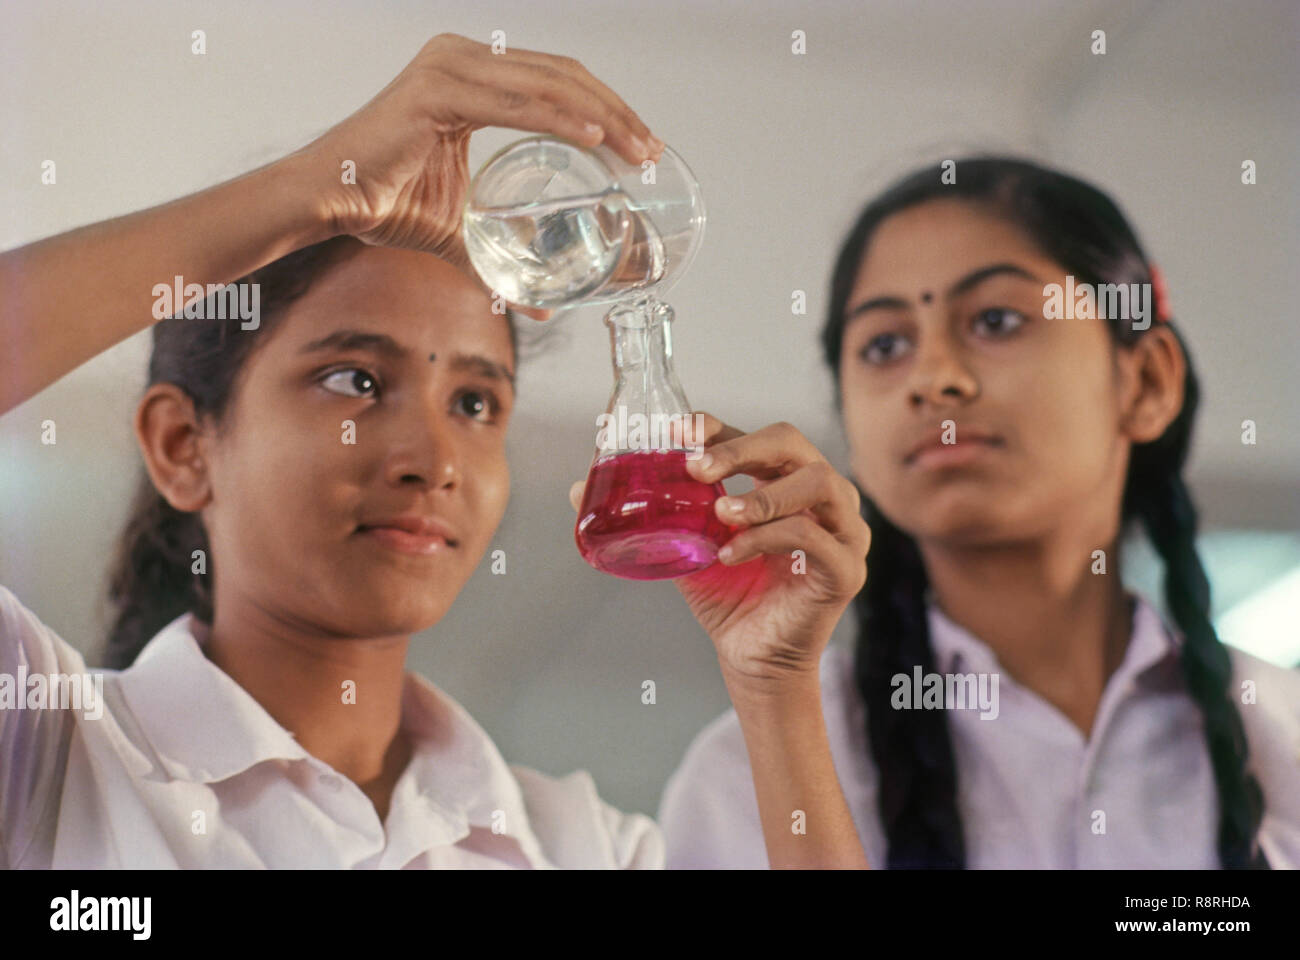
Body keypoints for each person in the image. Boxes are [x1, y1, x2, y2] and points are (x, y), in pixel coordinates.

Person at [0, 34, 870, 869]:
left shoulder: (578, 846)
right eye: (355, 381)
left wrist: (776, 686)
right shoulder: (50, 755)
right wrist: (312, 187)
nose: (434, 458)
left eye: (474, 401)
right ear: (182, 444)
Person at [658, 157, 1300, 869]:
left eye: (996, 320)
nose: (934, 380)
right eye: (885, 346)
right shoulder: (751, 771)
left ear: (1146, 380)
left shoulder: (1284, 735)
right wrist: (775, 699)